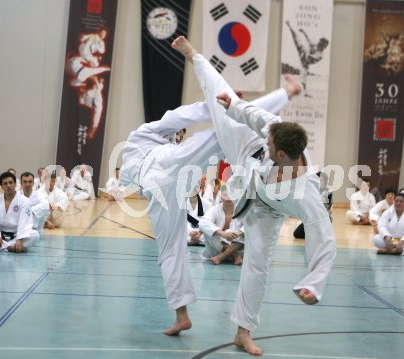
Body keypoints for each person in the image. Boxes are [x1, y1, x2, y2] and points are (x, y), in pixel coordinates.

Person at [172, 35, 336, 355]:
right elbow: (254, 116)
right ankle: (194, 54)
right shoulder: (275, 130)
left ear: (285, 155)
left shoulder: (306, 192)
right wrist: (232, 105)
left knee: (258, 265)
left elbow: (324, 235)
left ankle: (243, 333)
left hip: (268, 211)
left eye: (273, 144)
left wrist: (313, 282)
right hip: (247, 156)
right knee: (222, 96)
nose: (269, 140)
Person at [120, 68, 295, 336]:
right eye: (178, 133)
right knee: (169, 250)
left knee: (223, 131)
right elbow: (181, 115)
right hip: (159, 184)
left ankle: (278, 99)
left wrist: (227, 104)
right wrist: (217, 105)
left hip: (168, 176)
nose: (180, 134)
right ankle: (181, 316)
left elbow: (191, 121)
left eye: (180, 134)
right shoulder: (144, 134)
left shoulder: (175, 147)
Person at [0, 172, 39, 252]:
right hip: (0, 235)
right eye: (5, 183)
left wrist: (20, 239)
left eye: (11, 182)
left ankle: (2, 247)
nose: (8, 185)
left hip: (16, 234)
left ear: (15, 184)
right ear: (2, 186)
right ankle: (11, 247)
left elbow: (25, 222)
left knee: (35, 235)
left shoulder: (24, 201)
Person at [199, 186, 244, 265]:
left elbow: (251, 226)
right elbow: (203, 222)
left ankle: (222, 256)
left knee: (247, 232)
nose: (227, 198)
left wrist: (239, 232)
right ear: (221, 196)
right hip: (217, 251)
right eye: (225, 195)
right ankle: (235, 256)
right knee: (208, 231)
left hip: (237, 248)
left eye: (231, 195)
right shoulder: (215, 209)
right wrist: (222, 233)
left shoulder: (242, 210)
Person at [285, 21, 329, 93]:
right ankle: (289, 25)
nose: (318, 44)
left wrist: (309, 51)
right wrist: (303, 32)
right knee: (296, 37)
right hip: (303, 53)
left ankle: (303, 91)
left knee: (303, 77)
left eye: (320, 43)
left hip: (305, 62)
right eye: (319, 43)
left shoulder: (320, 55)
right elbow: (308, 39)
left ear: (323, 46)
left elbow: (311, 58)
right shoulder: (315, 46)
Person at [293, 171, 333, 239]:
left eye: (322, 180)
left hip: (323, 219)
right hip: (310, 218)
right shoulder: (310, 190)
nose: (320, 182)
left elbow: (322, 209)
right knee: (297, 234)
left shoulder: (328, 192)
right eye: (318, 180)